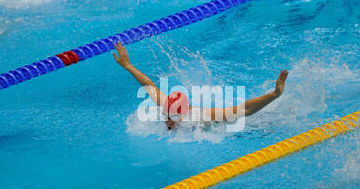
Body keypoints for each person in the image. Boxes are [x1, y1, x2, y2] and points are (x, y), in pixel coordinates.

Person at [112, 42, 288, 130]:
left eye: (172, 117)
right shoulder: (166, 107)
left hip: (250, 125)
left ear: (183, 113)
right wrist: (128, 65)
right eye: (167, 115)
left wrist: (274, 95)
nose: (168, 121)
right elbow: (148, 84)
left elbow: (244, 110)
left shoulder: (200, 118)